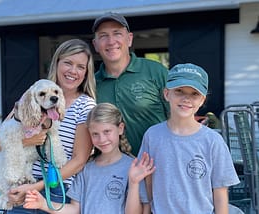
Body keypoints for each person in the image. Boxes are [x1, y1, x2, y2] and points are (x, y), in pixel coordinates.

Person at [0, 39, 96, 213]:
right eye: (68, 63)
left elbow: (78, 161)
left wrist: (36, 187)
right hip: (21, 184)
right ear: (56, 64)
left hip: (56, 189)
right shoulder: (32, 95)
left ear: (86, 72)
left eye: (80, 67)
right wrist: (26, 141)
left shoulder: (85, 106)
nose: (73, 71)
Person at [136, 63, 240, 213]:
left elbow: (220, 192)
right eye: (179, 91)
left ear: (202, 100)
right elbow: (147, 183)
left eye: (194, 94)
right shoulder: (152, 136)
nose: (186, 99)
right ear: (166, 94)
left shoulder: (213, 141)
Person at [23, 103, 155, 214]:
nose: (102, 139)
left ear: (120, 129)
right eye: (95, 134)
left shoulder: (133, 168)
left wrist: (133, 183)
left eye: (107, 132)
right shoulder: (87, 168)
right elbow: (75, 209)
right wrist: (44, 204)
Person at [92, 12, 170, 156]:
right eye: (103, 36)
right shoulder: (91, 84)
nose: (111, 41)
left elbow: (177, 118)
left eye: (117, 34)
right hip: (113, 171)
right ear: (95, 44)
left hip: (158, 165)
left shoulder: (156, 72)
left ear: (129, 39)